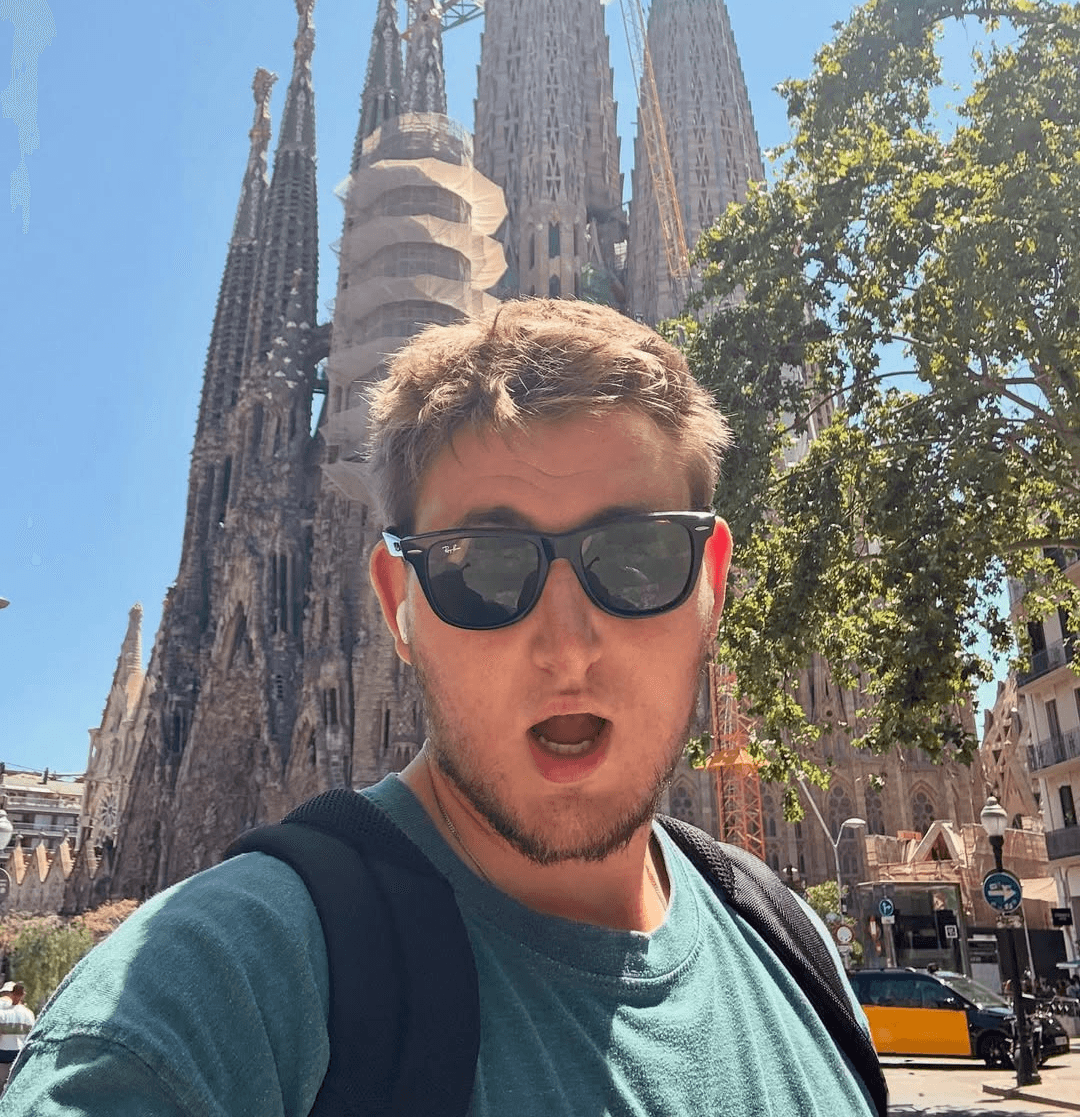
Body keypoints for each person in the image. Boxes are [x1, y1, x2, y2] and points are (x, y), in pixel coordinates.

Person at [2, 299, 880, 1115]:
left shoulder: (798, 959)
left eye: (637, 559)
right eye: (484, 568)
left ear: (711, 584)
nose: (567, 645)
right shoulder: (217, 998)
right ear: (399, 604)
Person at [0, 982, 35, 1091]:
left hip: (3, 1054)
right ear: (23, 994)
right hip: (20, 1054)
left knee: (1, 1085)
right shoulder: (29, 1014)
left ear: (12, 994)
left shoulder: (3, 1013)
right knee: (15, 1086)